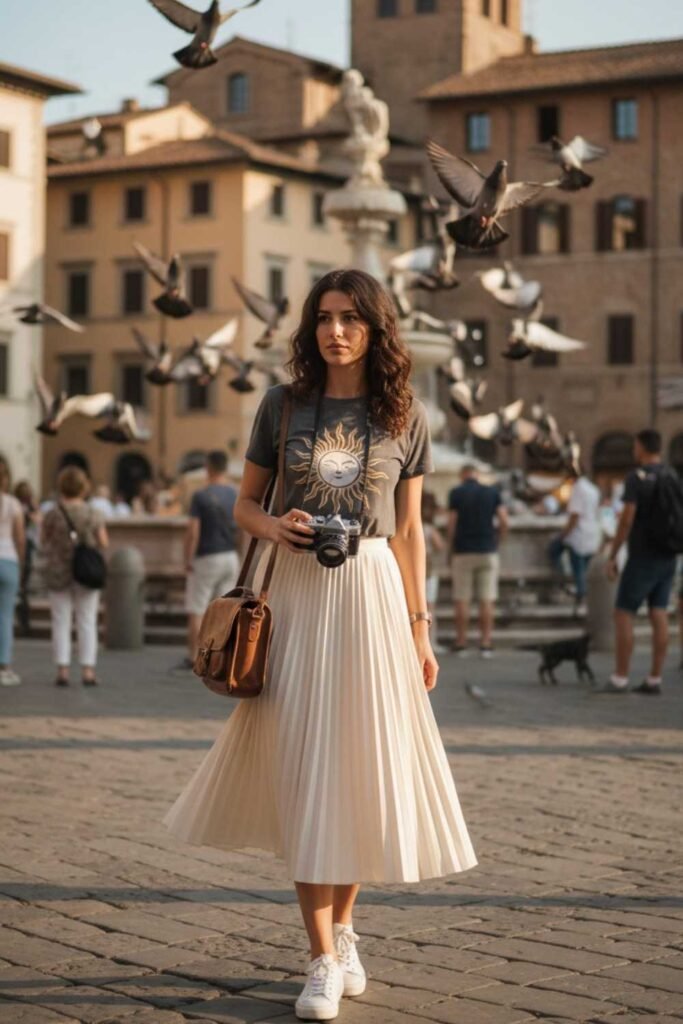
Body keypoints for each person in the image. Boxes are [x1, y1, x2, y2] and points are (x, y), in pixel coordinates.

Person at [165, 269, 477, 1022]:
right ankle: (319, 959)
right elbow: (245, 505)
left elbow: (409, 532)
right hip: (298, 595)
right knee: (308, 767)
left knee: (360, 767)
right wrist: (276, 526)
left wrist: (420, 628)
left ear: (376, 328)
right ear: (311, 327)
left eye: (351, 318)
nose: (335, 331)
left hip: (372, 594)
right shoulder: (281, 405)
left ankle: (343, 933)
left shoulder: (404, 412)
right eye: (325, 317)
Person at [604, 429, 676, 695]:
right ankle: (654, 678)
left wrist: (613, 554)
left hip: (643, 555)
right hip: (668, 554)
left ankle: (620, 677)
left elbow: (626, 519)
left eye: (635, 446)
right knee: (659, 612)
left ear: (642, 447)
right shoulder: (671, 474)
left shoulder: (637, 478)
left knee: (623, 613)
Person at [41, 466, 108, 687]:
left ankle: (62, 670)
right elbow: (103, 542)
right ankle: (88, 671)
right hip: (86, 572)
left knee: (60, 620)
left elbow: (44, 540)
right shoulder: (93, 513)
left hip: (58, 571)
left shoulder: (53, 513)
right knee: (87, 620)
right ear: (84, 487)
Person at [176, 450, 239, 671]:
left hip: (206, 557)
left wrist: (187, 559)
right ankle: (220, 658)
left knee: (197, 608)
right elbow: (243, 530)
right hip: (230, 556)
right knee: (224, 610)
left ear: (208, 468)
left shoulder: (200, 496)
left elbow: (193, 532)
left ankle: (195, 657)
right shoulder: (235, 494)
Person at [447, 464, 508, 657]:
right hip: (487, 550)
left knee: (462, 599)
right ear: (477, 474)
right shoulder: (492, 492)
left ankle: (461, 643)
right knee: (487, 599)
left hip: (463, 551)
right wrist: (498, 540)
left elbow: (452, 523)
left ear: (462, 475)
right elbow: (504, 520)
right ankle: (485, 643)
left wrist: (451, 548)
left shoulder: (456, 493)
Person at [548, 468, 601, 612]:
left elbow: (575, 517)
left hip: (579, 536)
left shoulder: (578, 489)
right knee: (584, 569)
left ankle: (572, 591)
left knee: (577, 568)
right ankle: (584, 598)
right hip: (591, 534)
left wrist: (563, 534)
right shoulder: (593, 489)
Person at [0, 465, 25, 686]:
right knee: (5, 616)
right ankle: (4, 667)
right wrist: (21, 561)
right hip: (8, 559)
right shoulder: (12, 503)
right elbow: (20, 537)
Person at [13, 480, 40, 634]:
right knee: (22, 588)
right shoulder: (23, 508)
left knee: (21, 587)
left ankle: (23, 621)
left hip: (16, 548)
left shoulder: (17, 507)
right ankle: (24, 622)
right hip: (24, 548)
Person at [421, 490, 446, 652]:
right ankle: (430, 642)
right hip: (428, 570)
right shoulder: (429, 528)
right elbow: (440, 546)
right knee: (430, 608)